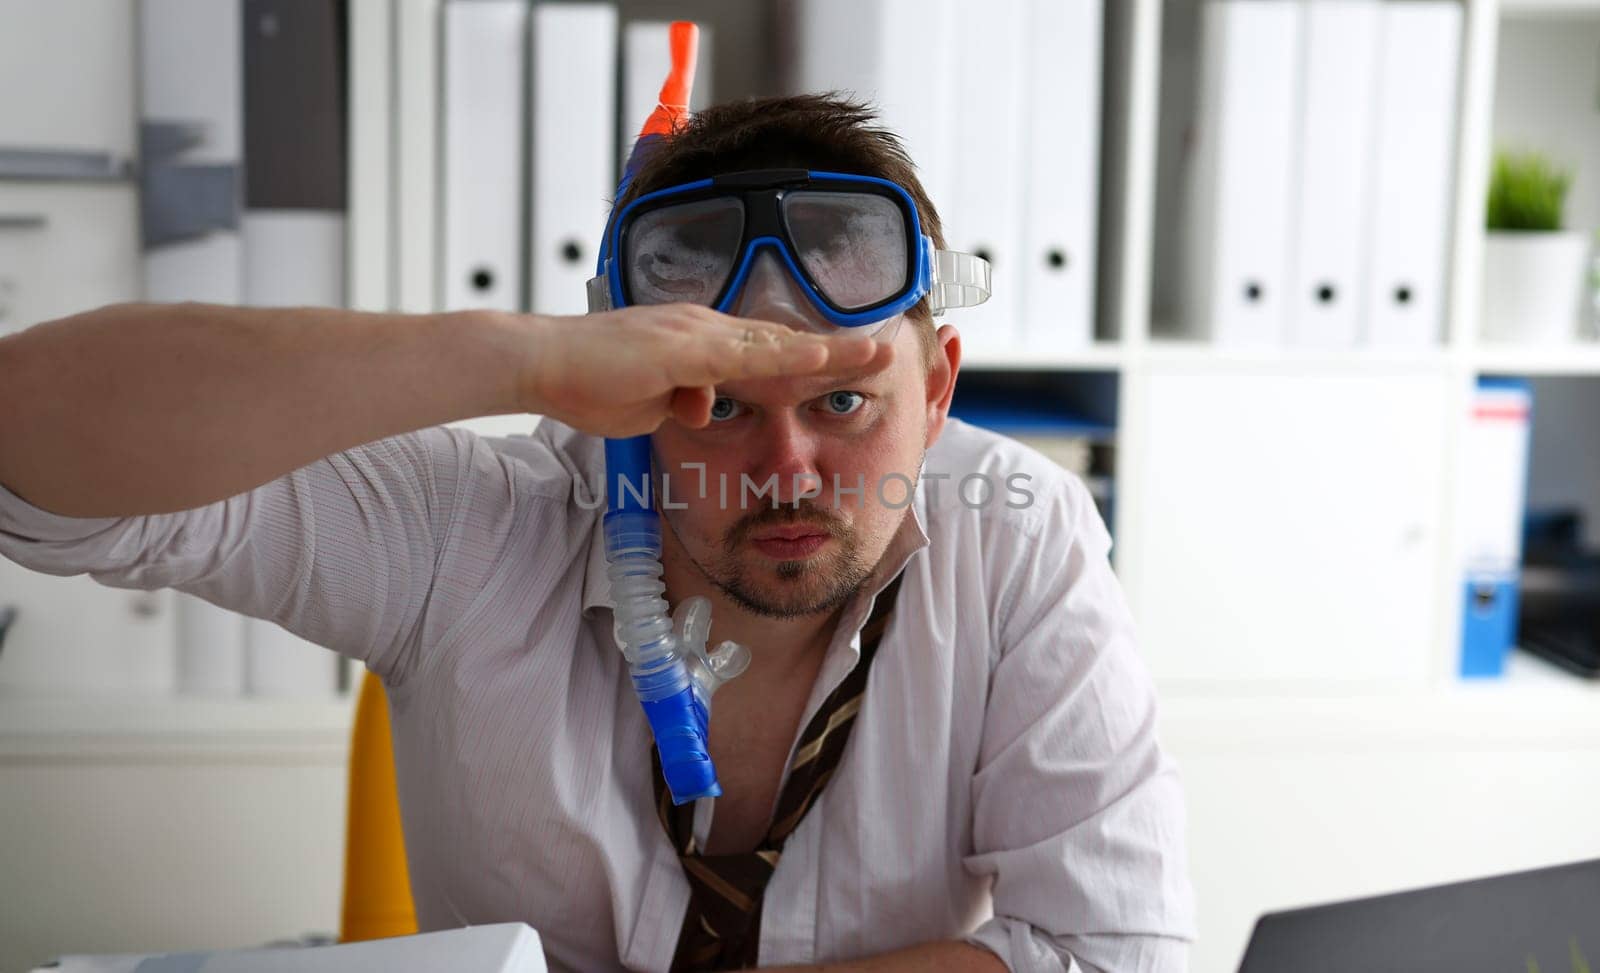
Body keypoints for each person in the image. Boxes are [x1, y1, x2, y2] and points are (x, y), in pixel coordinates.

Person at [0, 94, 1194, 971]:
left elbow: (1118, 955)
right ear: (629, 392)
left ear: (935, 389)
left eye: (842, 401)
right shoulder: (477, 529)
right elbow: (32, 466)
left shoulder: (1017, 534)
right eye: (720, 401)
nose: (787, 471)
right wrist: (518, 357)